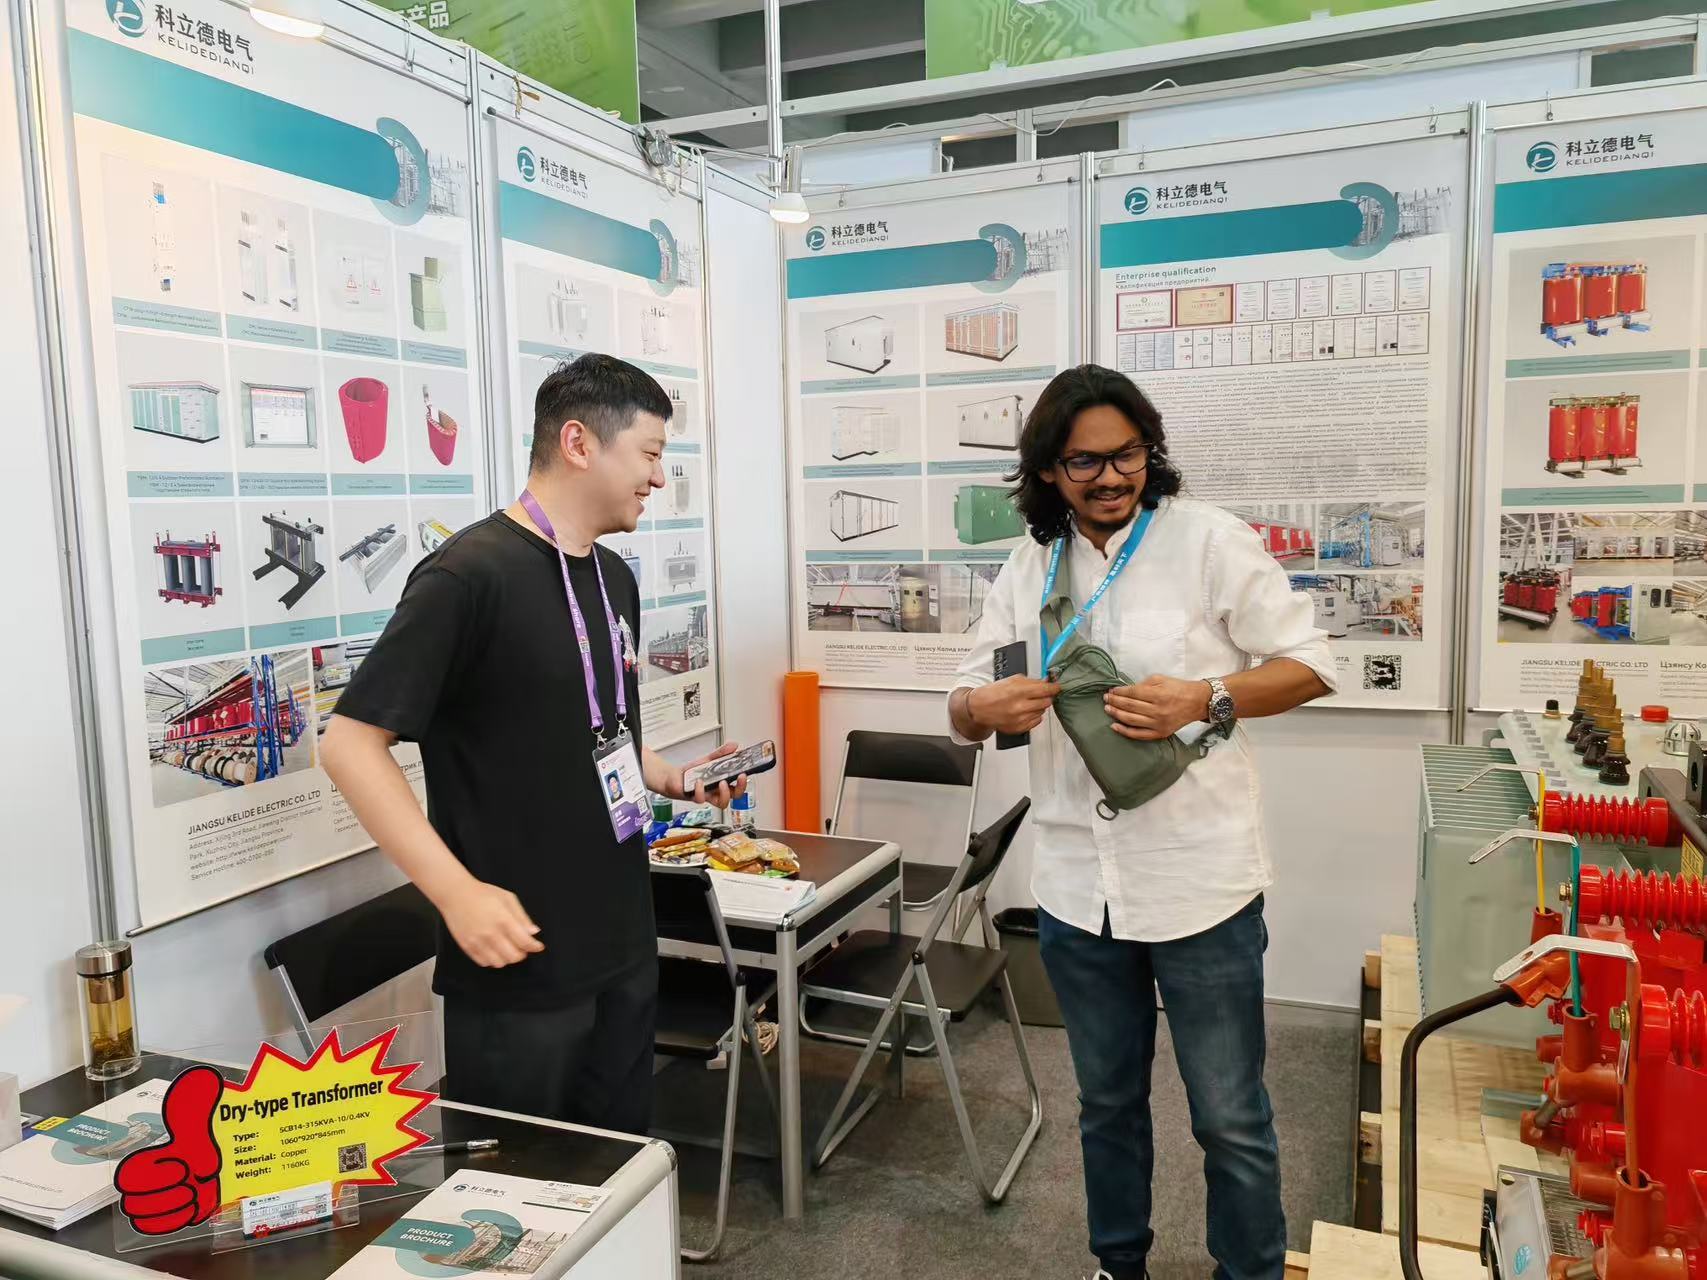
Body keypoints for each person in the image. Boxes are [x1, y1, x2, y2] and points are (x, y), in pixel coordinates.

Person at [945, 364, 1334, 1280]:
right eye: (1084, 462)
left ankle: (1249, 1271)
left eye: (1126, 455)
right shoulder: (1028, 564)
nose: (1111, 477)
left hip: (1199, 880)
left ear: (1148, 453)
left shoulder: (1207, 541)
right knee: (1106, 1104)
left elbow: (1312, 664)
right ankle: (1118, 1265)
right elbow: (963, 699)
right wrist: (979, 709)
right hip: (1077, 887)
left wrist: (1207, 696)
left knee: (1228, 1115)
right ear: (1048, 470)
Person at [321, 353, 746, 1136]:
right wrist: (456, 895)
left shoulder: (613, 577)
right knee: (519, 1185)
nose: (658, 478)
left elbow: (604, 732)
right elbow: (348, 745)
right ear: (579, 443)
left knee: (614, 1166)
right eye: (649, 454)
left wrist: (676, 780)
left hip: (621, 939)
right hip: (519, 961)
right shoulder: (466, 577)